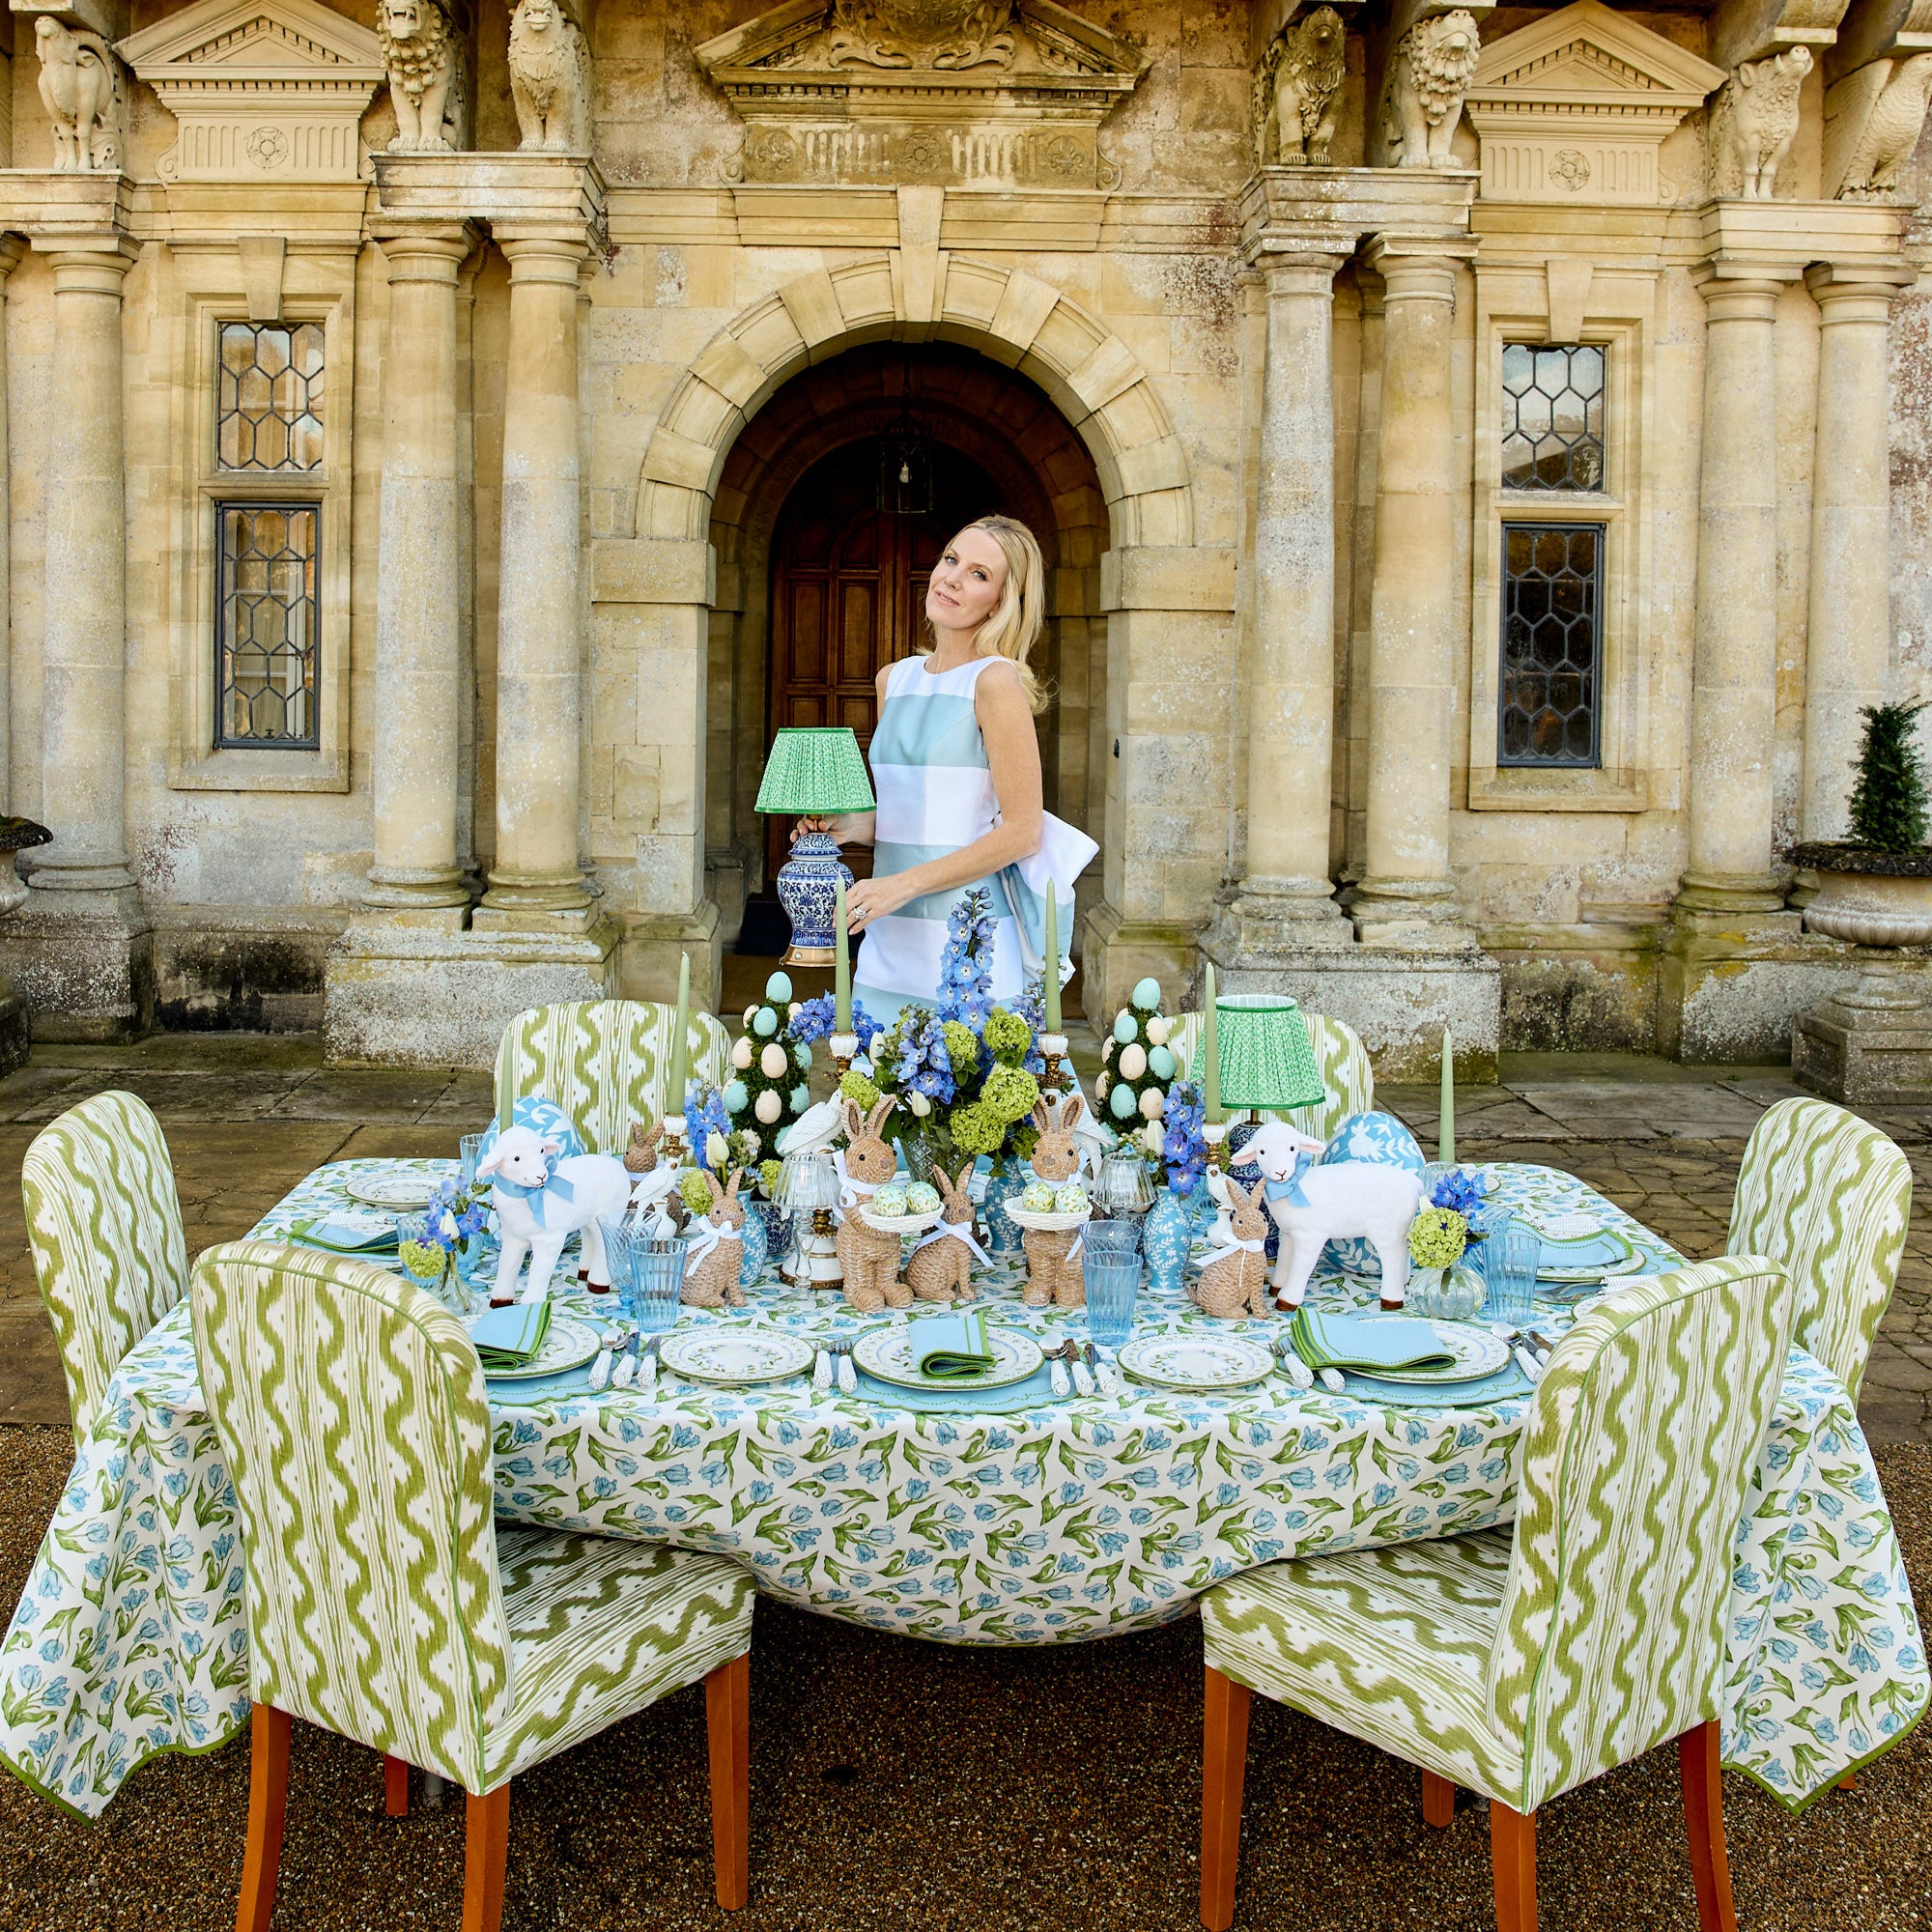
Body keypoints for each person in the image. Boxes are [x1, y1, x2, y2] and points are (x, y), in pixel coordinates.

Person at [798, 513, 1088, 1017]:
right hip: (888, 938)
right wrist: (848, 827)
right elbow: (912, 814)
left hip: (967, 942)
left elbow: (1022, 833)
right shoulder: (894, 679)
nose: (952, 577)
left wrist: (899, 887)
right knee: (872, 1088)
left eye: (979, 574)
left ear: (1001, 601)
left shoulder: (995, 682)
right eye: (951, 560)